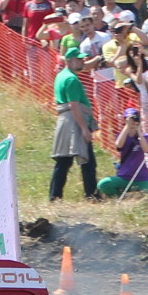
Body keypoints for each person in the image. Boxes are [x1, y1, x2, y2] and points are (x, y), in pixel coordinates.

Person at [48, 49, 98, 200]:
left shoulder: (61, 76)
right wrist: (84, 129)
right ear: (69, 61)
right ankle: (92, 194)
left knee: (64, 161)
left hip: (66, 120)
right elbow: (74, 105)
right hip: (74, 121)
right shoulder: (71, 80)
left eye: (82, 59)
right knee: (87, 161)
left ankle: (55, 195)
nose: (82, 62)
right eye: (79, 59)